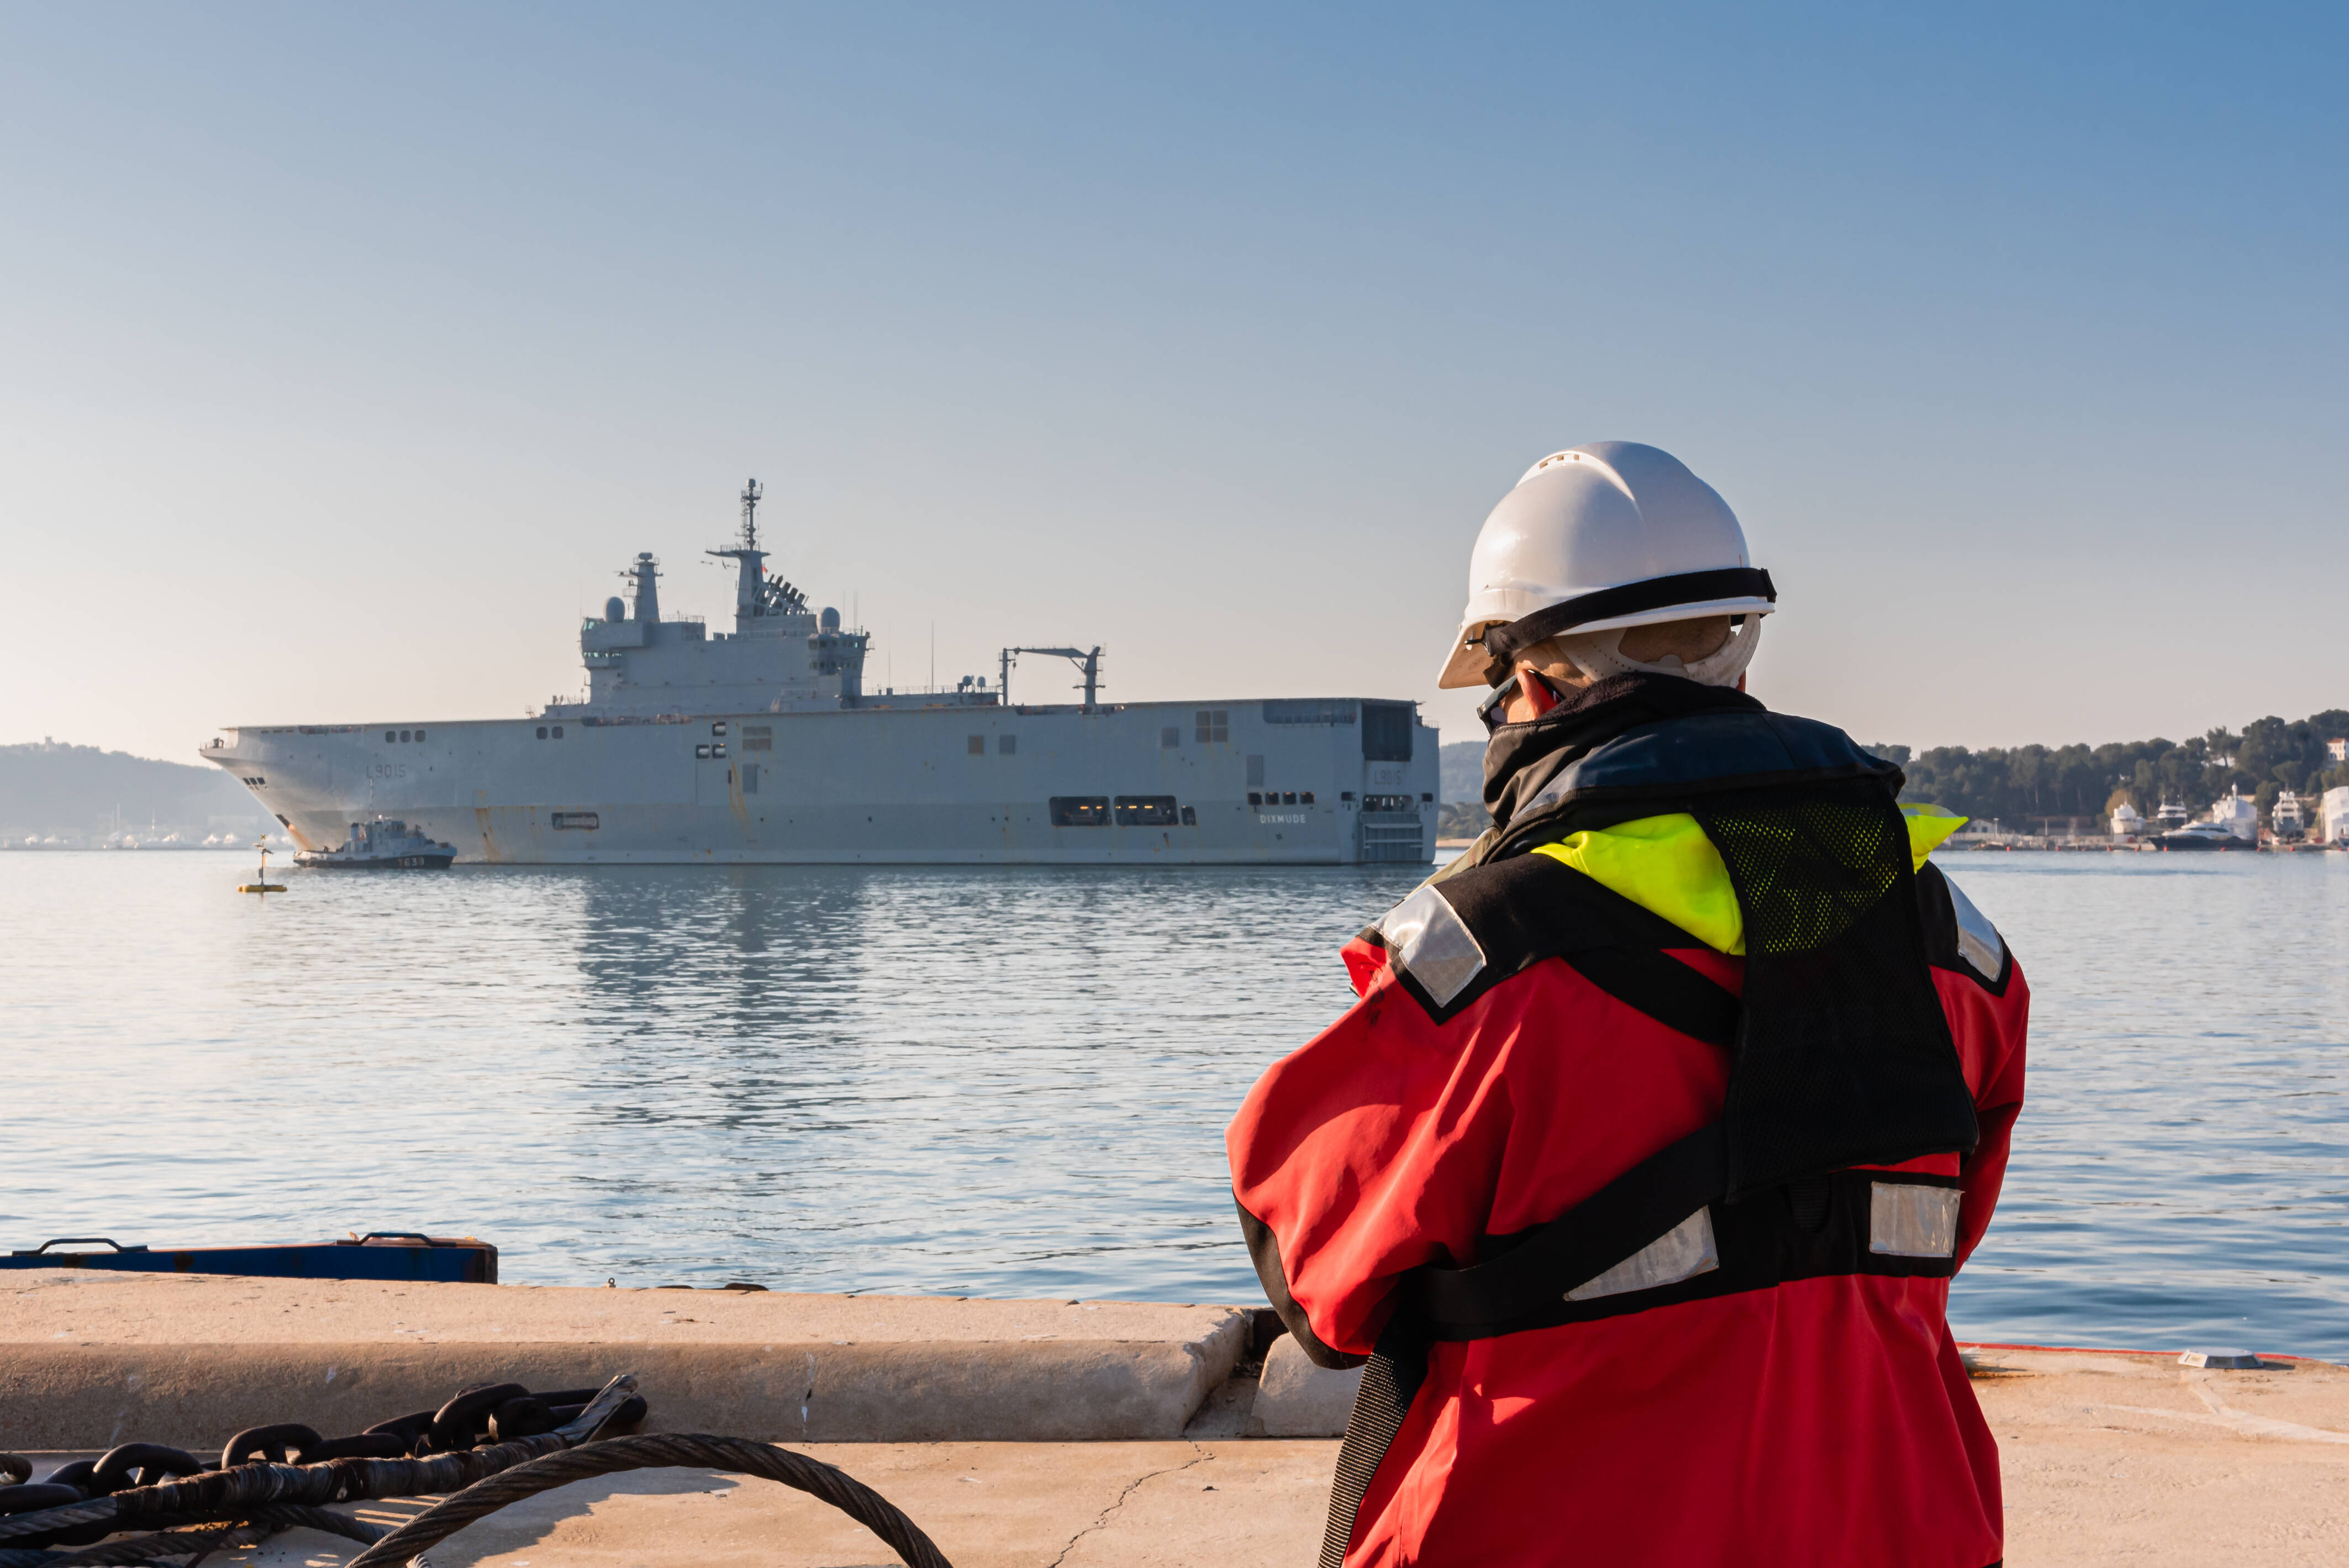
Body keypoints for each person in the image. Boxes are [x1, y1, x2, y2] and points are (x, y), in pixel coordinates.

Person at [1226, 442, 2029, 1568]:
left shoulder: (1489, 969)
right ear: (1735, 665)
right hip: (1901, 1525)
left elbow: (1318, 1273)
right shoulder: (1953, 951)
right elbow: (1932, 1242)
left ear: (1535, 687)